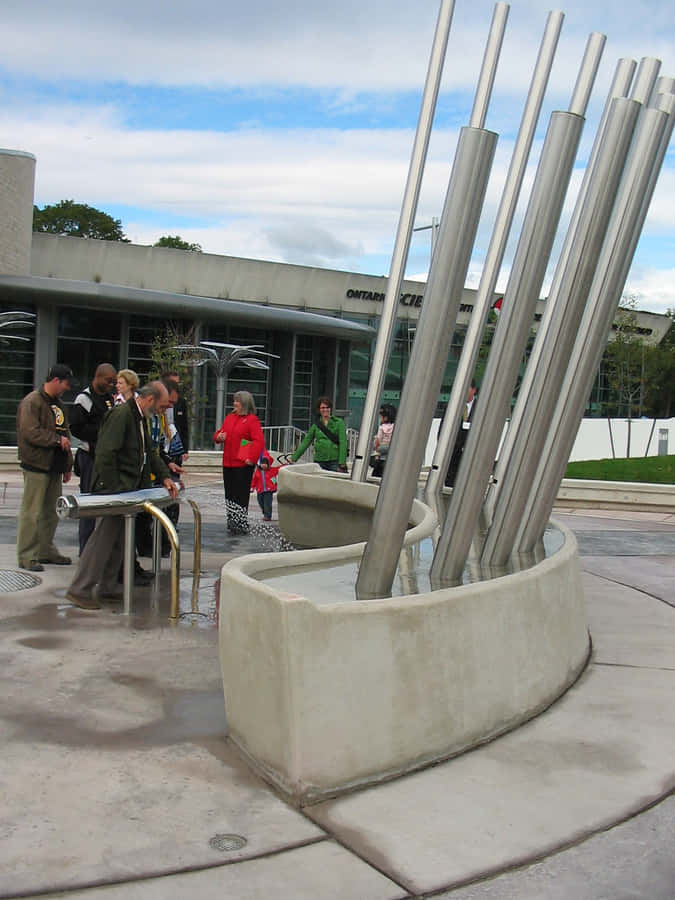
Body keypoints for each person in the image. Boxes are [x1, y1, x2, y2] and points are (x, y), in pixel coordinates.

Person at [66, 381, 178, 610]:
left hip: (126, 491)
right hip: (115, 491)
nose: (162, 412)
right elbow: (106, 453)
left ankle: (107, 587)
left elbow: (150, 451)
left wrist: (165, 476)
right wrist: (115, 489)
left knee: (118, 542)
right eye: (161, 406)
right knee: (103, 540)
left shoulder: (138, 417)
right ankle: (81, 589)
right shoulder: (122, 416)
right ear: (149, 400)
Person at [16, 364, 74, 573]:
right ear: (56, 380)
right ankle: (26, 556)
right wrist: (56, 440)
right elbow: (30, 432)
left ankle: (45, 550)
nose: (67, 388)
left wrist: (68, 464)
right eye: (66, 384)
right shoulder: (32, 401)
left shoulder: (58, 405)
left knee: (51, 512)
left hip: (55, 467)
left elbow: (65, 433)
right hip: (36, 465)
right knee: (32, 512)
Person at [69, 363, 117, 552]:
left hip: (105, 458)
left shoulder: (108, 399)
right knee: (89, 503)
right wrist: (102, 433)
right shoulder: (84, 399)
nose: (111, 385)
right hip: (89, 457)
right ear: (98, 377)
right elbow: (77, 428)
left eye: (113, 382)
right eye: (108, 381)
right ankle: (86, 549)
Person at [213, 390, 265, 534]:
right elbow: (218, 433)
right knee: (229, 494)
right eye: (234, 401)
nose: (234, 403)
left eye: (237, 401)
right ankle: (232, 522)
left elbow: (259, 441)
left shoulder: (251, 420)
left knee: (240, 495)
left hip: (243, 464)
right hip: (228, 463)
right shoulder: (230, 417)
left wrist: (251, 458)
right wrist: (218, 437)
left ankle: (241, 523)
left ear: (245, 404)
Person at [291, 396, 347, 472]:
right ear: (319, 410)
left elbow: (343, 442)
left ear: (330, 408)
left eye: (327, 407)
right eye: (323, 408)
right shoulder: (316, 425)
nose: (325, 410)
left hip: (334, 461)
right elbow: (306, 442)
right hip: (319, 461)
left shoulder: (339, 422)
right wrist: (293, 458)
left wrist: (342, 462)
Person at [445, 379, 478, 487]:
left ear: (474, 390)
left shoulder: (481, 407)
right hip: (453, 457)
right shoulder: (452, 406)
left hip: (473, 457)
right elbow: (443, 430)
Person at [250, 451, 280, 521]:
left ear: (268, 464)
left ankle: (268, 515)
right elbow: (254, 480)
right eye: (262, 463)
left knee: (267, 503)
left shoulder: (272, 470)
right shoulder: (258, 471)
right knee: (260, 502)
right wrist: (252, 487)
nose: (263, 465)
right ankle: (265, 512)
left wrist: (287, 464)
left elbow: (279, 468)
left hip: (268, 491)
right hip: (260, 490)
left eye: (265, 463)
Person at [371, 403, 396, 478]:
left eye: (380, 416)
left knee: (376, 477)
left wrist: (376, 447)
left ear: (385, 418)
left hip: (381, 459)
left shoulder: (382, 427)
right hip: (391, 459)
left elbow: (377, 441)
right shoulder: (395, 426)